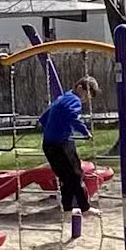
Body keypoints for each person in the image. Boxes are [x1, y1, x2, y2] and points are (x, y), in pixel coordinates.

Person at [38, 75, 100, 224]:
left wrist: (52, 128)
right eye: (86, 96)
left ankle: (67, 210)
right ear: (80, 88)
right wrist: (85, 132)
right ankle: (85, 208)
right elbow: (73, 117)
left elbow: (44, 118)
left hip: (49, 144)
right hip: (61, 143)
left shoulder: (63, 97)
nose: (85, 101)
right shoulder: (74, 100)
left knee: (66, 178)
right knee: (75, 175)